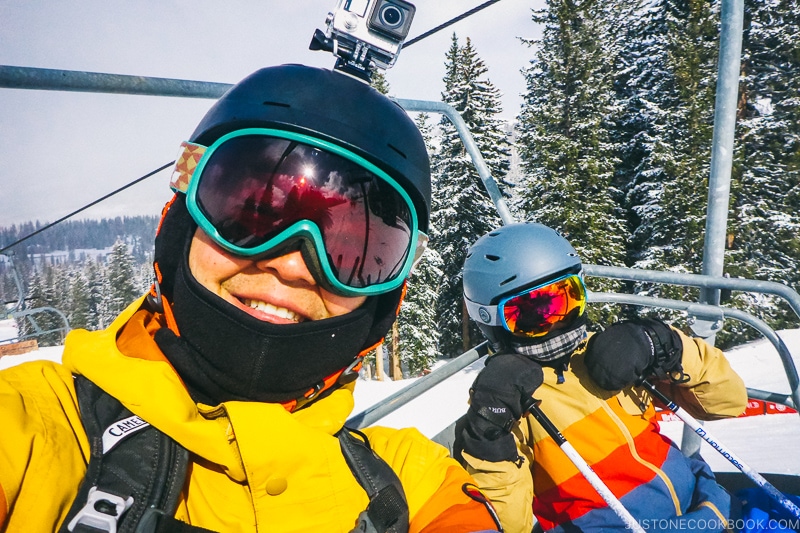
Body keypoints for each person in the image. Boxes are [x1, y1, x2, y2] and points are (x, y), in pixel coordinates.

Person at [0, 65, 503, 533]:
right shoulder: (35, 428)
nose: (291, 264)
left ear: (385, 297)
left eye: (354, 248)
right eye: (250, 215)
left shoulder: (412, 483)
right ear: (180, 226)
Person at [456, 222, 748, 533]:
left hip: (706, 505)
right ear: (491, 319)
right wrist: (487, 436)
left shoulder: (612, 355)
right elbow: (507, 524)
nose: (556, 324)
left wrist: (666, 345)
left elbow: (728, 401)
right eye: (530, 316)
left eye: (564, 300)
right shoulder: (508, 398)